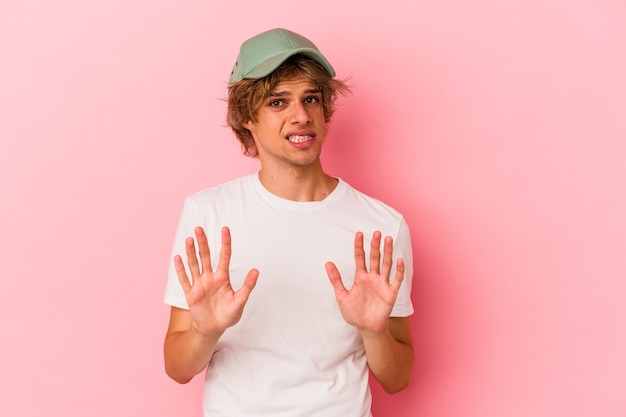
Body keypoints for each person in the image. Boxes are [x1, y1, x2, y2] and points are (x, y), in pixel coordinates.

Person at [163, 28, 414, 417]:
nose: (301, 116)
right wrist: (206, 330)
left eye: (311, 98)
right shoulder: (207, 214)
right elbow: (178, 369)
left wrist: (373, 330)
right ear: (247, 117)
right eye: (278, 102)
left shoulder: (382, 226)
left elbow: (397, 379)